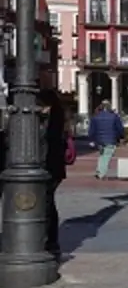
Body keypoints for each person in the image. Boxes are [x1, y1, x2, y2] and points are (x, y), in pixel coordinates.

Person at [37, 89, 68, 256]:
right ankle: (51, 239)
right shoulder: (58, 117)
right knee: (48, 203)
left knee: (47, 203)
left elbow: (47, 143)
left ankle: (50, 240)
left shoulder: (51, 121)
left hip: (50, 167)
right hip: (53, 168)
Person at [88, 101, 124, 179]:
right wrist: (121, 137)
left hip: (99, 140)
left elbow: (91, 130)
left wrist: (91, 139)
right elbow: (119, 128)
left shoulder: (95, 116)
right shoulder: (114, 116)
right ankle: (101, 173)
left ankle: (99, 171)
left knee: (102, 156)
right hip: (111, 139)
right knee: (106, 156)